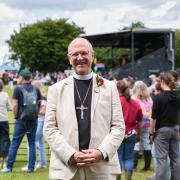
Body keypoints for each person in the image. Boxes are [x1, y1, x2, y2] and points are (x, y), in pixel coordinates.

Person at [43, 37, 125, 180]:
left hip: (101, 169)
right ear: (69, 59)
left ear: (92, 56)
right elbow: (49, 129)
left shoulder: (109, 87)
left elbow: (118, 127)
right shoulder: (56, 89)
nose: (79, 58)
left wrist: (101, 152)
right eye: (75, 54)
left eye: (84, 53)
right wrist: (70, 154)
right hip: (67, 169)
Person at [1, 68, 41, 173]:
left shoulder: (18, 89)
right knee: (32, 143)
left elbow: (14, 105)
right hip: (33, 120)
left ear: (22, 77)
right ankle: (31, 168)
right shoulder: (36, 89)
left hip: (21, 120)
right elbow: (39, 104)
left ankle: (9, 167)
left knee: (15, 144)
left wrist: (15, 116)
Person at [150, 72, 180, 180]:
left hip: (162, 130)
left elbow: (153, 118)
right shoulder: (177, 95)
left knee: (162, 159)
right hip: (175, 129)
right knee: (176, 158)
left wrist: (151, 133)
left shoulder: (158, 98)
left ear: (162, 81)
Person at [116, 80, 142, 180]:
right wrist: (139, 134)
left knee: (118, 157)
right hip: (132, 133)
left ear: (117, 89)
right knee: (129, 157)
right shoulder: (136, 103)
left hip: (118, 133)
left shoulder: (116, 102)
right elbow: (139, 120)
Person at [21, 80, 47, 171]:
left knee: (31, 142)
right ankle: (43, 162)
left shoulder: (42, 98)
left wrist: (32, 112)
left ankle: (31, 164)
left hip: (39, 121)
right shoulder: (44, 96)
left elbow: (43, 111)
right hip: (42, 121)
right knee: (40, 143)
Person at [132, 81, 153, 171]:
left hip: (138, 124)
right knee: (146, 143)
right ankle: (147, 166)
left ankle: (133, 166)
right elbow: (152, 110)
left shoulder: (134, 99)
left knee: (136, 144)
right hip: (147, 123)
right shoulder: (149, 98)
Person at [0, 80, 12, 169]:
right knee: (5, 140)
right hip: (3, 120)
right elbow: (10, 107)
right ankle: (4, 162)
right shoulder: (5, 95)